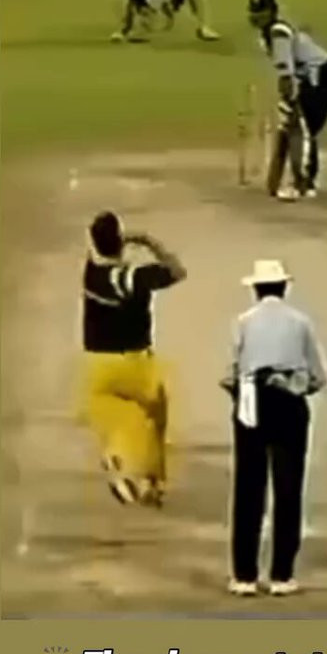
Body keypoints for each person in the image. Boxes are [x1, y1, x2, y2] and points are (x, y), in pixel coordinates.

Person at [221, 259, 327, 595]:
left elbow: (229, 373)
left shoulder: (242, 322)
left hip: (252, 399)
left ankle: (244, 575)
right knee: (288, 488)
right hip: (289, 401)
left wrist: (241, 394)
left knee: (248, 487)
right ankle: (282, 575)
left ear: (255, 289)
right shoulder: (301, 322)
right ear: (285, 288)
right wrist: (296, 386)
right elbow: (318, 377)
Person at [81, 211, 186, 506]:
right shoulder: (134, 278)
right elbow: (177, 271)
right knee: (154, 418)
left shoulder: (91, 274)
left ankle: (118, 460)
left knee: (118, 419)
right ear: (120, 241)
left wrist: (113, 242)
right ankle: (150, 480)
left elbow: (98, 251)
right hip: (135, 361)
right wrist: (148, 242)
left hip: (98, 364)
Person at [247, 0, 327, 199]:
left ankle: (303, 183)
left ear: (272, 12)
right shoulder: (266, 36)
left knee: (303, 127)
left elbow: (286, 74)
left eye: (261, 12)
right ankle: (302, 180)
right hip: (311, 77)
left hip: (322, 76)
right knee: (298, 126)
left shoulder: (278, 33)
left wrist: (289, 98)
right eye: (254, 12)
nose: (257, 17)